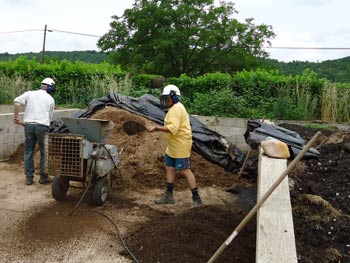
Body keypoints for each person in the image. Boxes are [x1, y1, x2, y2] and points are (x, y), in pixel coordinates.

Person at [147, 84, 202, 207]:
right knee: (169, 168)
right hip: (172, 145)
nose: (165, 101)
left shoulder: (177, 108)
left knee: (184, 170)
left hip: (181, 145)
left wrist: (156, 128)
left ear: (174, 97)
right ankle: (169, 196)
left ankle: (197, 198)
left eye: (167, 98)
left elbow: (173, 129)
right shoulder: (173, 108)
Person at [13, 77, 56, 185]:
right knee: (44, 152)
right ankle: (43, 177)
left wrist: (16, 117)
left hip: (29, 127)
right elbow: (47, 120)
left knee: (28, 152)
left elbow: (17, 101)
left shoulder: (30, 94)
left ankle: (29, 178)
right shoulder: (50, 99)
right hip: (43, 127)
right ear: (50, 87)